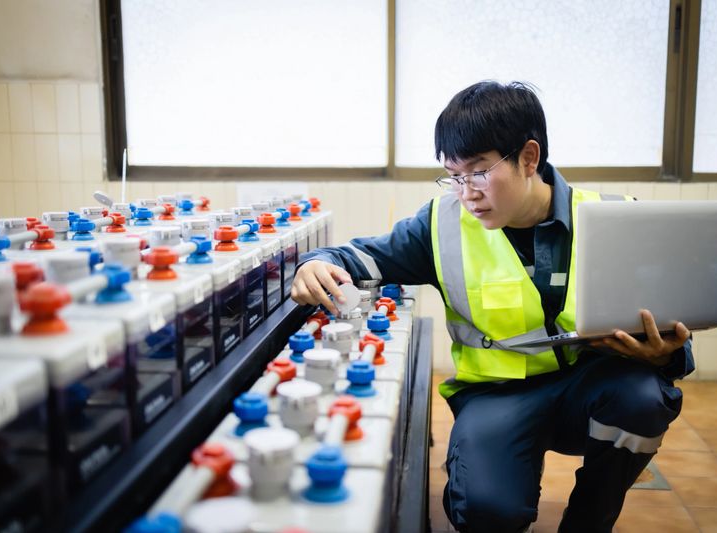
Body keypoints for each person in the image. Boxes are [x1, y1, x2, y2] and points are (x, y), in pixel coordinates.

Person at [291, 80, 693, 533]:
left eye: (479, 171)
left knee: (644, 397)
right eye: (453, 175)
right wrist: (315, 262)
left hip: (589, 386)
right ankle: (498, 468)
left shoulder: (613, 218)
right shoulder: (440, 226)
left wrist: (667, 353)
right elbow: (359, 256)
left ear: (528, 157)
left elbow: (672, 328)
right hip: (497, 395)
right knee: (487, 512)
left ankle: (588, 522)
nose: (466, 192)